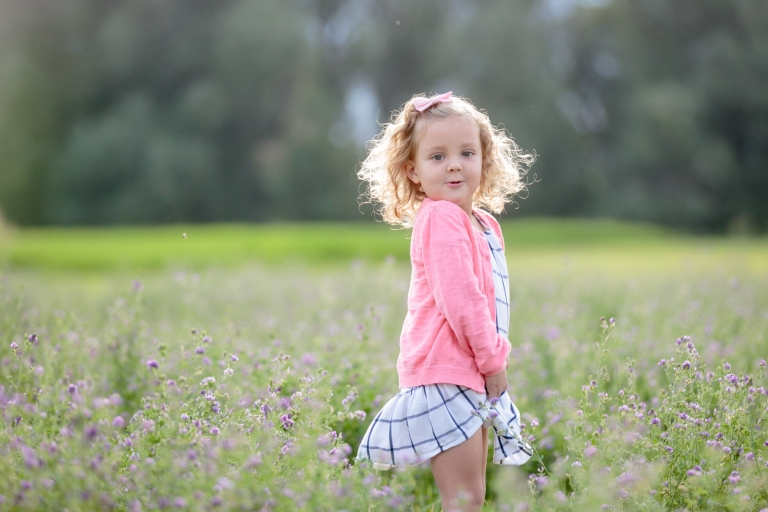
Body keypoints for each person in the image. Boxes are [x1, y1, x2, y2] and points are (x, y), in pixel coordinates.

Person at [355, 91, 536, 511]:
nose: (454, 164)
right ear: (412, 171)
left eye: (466, 152)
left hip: (465, 373)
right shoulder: (441, 217)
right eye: (437, 157)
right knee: (464, 499)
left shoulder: (481, 222)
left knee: (470, 494)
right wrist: (493, 362)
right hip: (447, 374)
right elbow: (463, 301)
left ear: (483, 160)